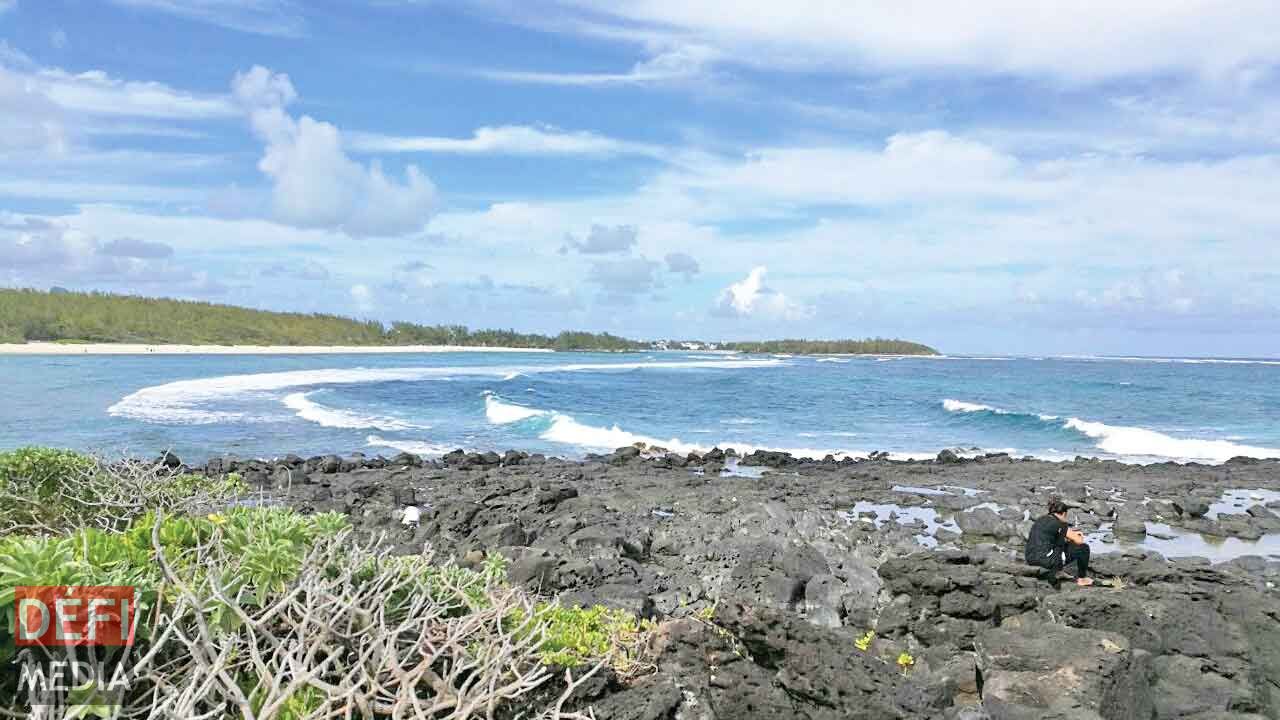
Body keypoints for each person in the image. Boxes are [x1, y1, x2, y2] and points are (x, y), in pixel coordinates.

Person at [1024, 498, 1093, 586]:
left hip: (1030, 558)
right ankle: (1082, 579)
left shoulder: (1041, 519)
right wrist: (1077, 536)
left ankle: (1058, 571)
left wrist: (1071, 534)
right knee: (1083, 548)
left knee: (1056, 545)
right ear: (1064, 513)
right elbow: (1079, 541)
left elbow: (1052, 537)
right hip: (1045, 560)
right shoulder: (1059, 523)